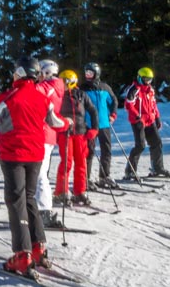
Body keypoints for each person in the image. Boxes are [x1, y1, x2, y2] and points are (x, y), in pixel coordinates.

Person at [0, 57, 71, 278]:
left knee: (16, 200)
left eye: (15, 72)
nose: (12, 76)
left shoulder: (10, 96)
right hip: (35, 155)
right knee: (29, 197)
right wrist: (69, 123)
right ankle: (38, 247)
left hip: (14, 155)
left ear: (20, 73)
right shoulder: (42, 97)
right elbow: (56, 122)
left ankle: (22, 256)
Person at [54, 70, 97, 206]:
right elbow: (52, 112)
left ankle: (80, 192)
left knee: (81, 162)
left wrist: (94, 128)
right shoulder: (58, 95)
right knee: (66, 162)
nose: (62, 85)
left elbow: (93, 110)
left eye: (64, 82)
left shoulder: (81, 95)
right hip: (65, 133)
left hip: (80, 133)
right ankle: (61, 192)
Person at [124, 66, 170, 179]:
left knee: (156, 143)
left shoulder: (150, 90)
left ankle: (157, 168)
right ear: (140, 78)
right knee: (140, 146)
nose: (148, 82)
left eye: (150, 79)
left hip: (150, 120)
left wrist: (157, 117)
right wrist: (137, 116)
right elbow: (128, 104)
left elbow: (153, 105)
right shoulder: (134, 89)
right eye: (146, 79)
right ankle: (130, 171)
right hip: (138, 121)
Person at [35, 59, 65, 228]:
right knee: (40, 172)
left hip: (42, 133)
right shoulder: (56, 87)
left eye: (39, 73)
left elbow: (31, 95)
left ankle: (44, 209)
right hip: (47, 134)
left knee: (39, 174)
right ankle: (39, 207)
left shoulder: (48, 87)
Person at [82, 62, 119, 189]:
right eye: (86, 72)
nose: (87, 75)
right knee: (89, 152)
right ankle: (85, 178)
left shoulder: (105, 88)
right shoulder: (82, 89)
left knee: (106, 150)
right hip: (89, 125)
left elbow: (113, 101)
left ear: (96, 73)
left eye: (90, 73)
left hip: (104, 124)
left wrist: (113, 114)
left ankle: (104, 176)